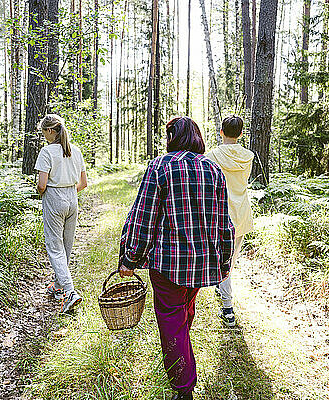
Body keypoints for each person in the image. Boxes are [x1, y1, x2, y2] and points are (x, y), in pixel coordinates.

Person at [118, 116, 235, 400]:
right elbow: (224, 223)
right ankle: (180, 359)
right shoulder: (214, 170)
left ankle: (183, 388)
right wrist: (224, 262)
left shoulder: (160, 167)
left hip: (168, 265)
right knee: (183, 313)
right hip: (200, 264)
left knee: (172, 320)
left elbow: (143, 218)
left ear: (172, 137)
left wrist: (130, 258)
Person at [35, 114, 88, 314]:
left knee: (55, 247)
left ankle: (69, 291)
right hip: (72, 198)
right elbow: (83, 184)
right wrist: (68, 194)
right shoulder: (76, 151)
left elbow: (42, 184)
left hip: (54, 198)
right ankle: (58, 285)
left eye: (44, 132)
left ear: (50, 131)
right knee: (66, 246)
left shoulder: (47, 152)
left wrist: (43, 192)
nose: (44, 136)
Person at [205, 115, 254, 327]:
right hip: (241, 212)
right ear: (241, 133)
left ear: (221, 132)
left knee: (222, 260)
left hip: (219, 214)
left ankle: (227, 309)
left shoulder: (212, 156)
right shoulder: (248, 156)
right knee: (230, 259)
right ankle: (223, 290)